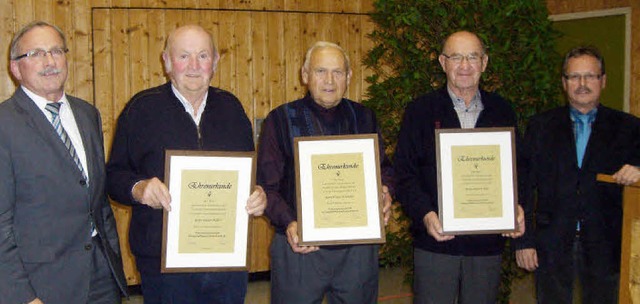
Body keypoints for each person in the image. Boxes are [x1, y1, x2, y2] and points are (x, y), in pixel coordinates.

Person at [106, 24, 267, 303]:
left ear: (215, 62)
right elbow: (113, 176)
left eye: (203, 56)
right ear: (167, 61)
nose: (193, 65)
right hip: (163, 263)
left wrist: (258, 194)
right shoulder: (141, 109)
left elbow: (249, 173)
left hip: (225, 258)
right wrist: (139, 187)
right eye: (183, 56)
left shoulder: (232, 108)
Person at [0, 21, 127, 304]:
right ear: (15, 67)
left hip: (101, 276)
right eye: (35, 54)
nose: (49, 61)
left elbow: (98, 201)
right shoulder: (4, 124)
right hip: (41, 285)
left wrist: (112, 263)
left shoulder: (87, 114)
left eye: (56, 51)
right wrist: (21, 296)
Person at [393, 31, 525, 304]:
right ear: (443, 62)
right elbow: (404, 174)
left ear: (484, 62)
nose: (465, 65)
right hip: (436, 242)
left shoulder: (502, 110)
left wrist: (516, 206)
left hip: (487, 243)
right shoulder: (420, 111)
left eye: (472, 57)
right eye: (456, 57)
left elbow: (517, 169)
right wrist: (426, 214)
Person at [257, 41, 393, 304]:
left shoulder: (365, 118)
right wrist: (289, 223)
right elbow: (267, 187)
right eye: (320, 71)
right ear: (305, 75)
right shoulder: (280, 119)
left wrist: (386, 192)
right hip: (298, 247)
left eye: (338, 72)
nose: (329, 80)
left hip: (357, 250)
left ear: (349, 77)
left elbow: (384, 168)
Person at [514, 46, 640, 304]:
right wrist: (524, 242)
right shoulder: (540, 126)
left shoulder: (628, 127)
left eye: (590, 76)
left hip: (608, 245)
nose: (582, 84)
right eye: (574, 77)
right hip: (552, 242)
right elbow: (524, 186)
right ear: (564, 83)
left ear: (603, 81)